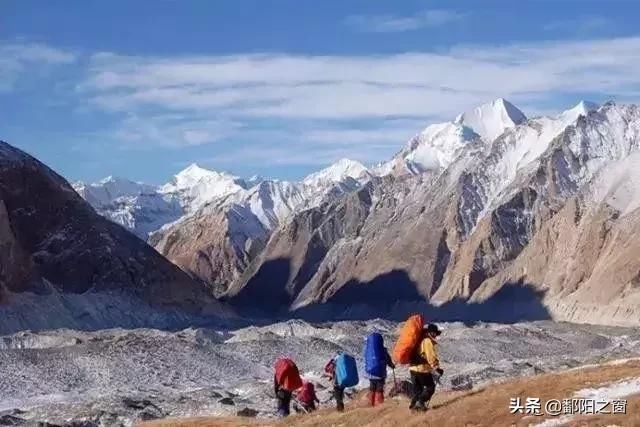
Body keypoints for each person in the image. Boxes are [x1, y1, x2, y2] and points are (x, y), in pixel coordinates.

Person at [409, 323, 443, 412]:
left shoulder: (419, 340)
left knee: (418, 391)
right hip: (422, 369)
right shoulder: (427, 341)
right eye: (434, 333)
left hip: (412, 369)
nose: (435, 335)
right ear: (430, 332)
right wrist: (437, 368)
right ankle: (420, 402)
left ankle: (413, 407)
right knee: (430, 387)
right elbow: (430, 356)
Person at [366, 340, 395, 406]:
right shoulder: (383, 351)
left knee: (372, 389)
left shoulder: (370, 350)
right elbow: (388, 360)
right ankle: (379, 406)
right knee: (379, 390)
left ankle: (370, 405)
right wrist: (392, 366)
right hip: (380, 374)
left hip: (372, 374)